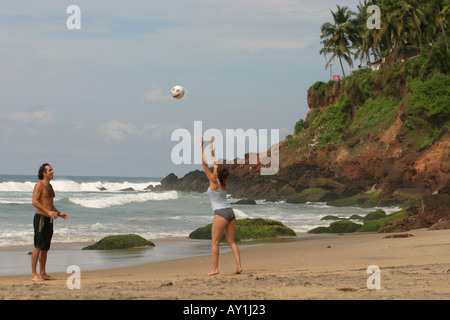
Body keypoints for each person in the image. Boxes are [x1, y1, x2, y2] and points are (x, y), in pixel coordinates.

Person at [200, 138, 242, 276]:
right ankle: (238, 266)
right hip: (230, 213)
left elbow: (204, 164)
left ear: (217, 173)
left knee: (215, 243)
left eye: (216, 170)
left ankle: (215, 269)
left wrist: (200, 147)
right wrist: (211, 149)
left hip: (221, 214)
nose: (214, 170)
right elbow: (214, 164)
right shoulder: (223, 182)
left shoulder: (213, 181)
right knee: (231, 241)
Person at [31, 163, 69, 281]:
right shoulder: (39, 185)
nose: (52, 171)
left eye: (52, 170)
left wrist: (58, 214)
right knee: (38, 246)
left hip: (49, 219)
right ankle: (34, 275)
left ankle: (43, 273)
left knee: (45, 248)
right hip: (41, 218)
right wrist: (48, 212)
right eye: (50, 170)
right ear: (44, 173)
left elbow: (50, 204)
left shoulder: (50, 186)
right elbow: (34, 202)